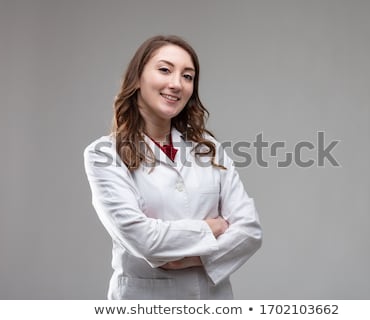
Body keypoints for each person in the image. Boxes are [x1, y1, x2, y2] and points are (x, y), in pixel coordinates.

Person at [83, 35, 262, 300]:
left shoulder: (209, 149)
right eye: (165, 70)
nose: (176, 84)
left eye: (188, 76)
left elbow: (249, 230)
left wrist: (188, 259)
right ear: (138, 78)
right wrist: (213, 229)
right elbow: (144, 240)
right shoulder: (103, 155)